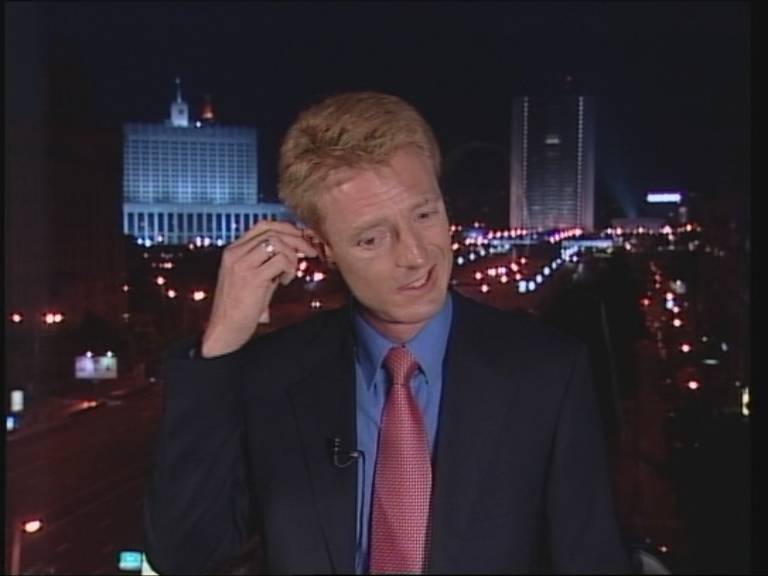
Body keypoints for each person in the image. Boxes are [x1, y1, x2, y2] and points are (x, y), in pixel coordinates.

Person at [144, 91, 632, 574]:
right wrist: (222, 340)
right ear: (322, 247)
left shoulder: (547, 372)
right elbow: (184, 555)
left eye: (424, 215)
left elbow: (591, 561)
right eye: (372, 239)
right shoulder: (272, 377)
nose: (415, 256)